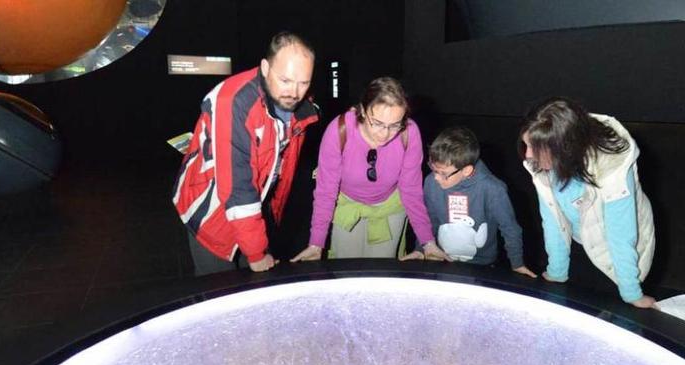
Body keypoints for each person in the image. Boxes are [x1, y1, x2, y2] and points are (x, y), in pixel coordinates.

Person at [173, 31, 318, 275]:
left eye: (303, 83)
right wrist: (256, 252)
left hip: (254, 207)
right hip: (210, 213)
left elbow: (280, 170)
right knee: (219, 295)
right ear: (264, 67)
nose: (294, 92)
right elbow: (237, 186)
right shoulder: (233, 101)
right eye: (285, 80)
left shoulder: (299, 105)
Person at [519, 97, 657, 308]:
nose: (528, 155)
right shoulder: (544, 163)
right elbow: (553, 220)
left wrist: (632, 294)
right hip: (583, 237)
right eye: (527, 144)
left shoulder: (613, 170)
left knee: (610, 308)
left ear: (563, 148)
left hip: (619, 252)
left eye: (535, 148)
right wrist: (557, 271)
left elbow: (621, 237)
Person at [291, 77, 448, 261]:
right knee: (346, 272)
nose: (385, 133)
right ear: (363, 111)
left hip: (389, 207)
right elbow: (326, 190)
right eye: (378, 123)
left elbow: (411, 190)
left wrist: (427, 242)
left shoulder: (409, 132)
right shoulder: (339, 130)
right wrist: (316, 243)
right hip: (347, 206)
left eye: (394, 125)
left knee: (382, 273)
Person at [400, 126, 536, 277]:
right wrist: (421, 249)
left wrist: (517, 263)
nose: (436, 177)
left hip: (481, 266)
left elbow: (510, 228)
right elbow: (429, 219)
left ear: (466, 170)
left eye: (443, 173)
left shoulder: (492, 189)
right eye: (433, 169)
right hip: (440, 259)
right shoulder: (431, 182)